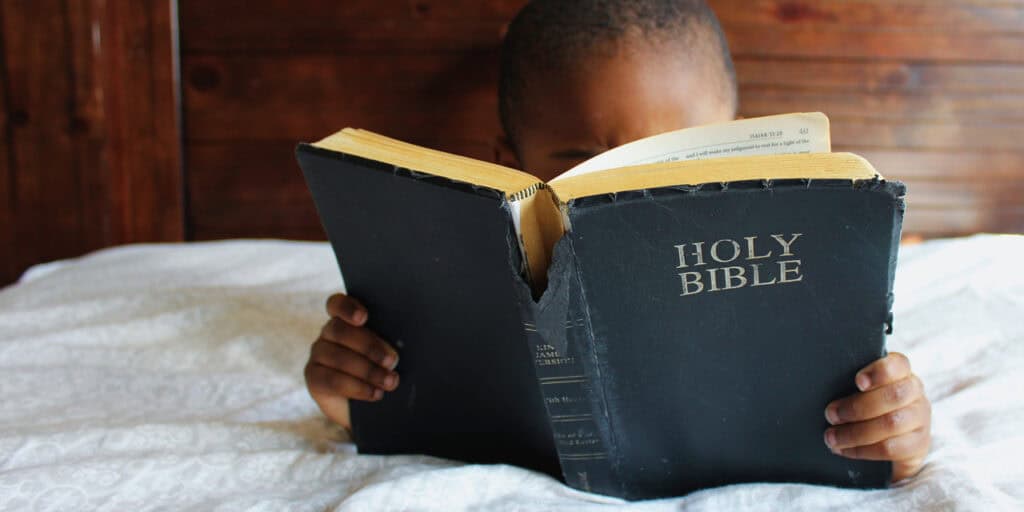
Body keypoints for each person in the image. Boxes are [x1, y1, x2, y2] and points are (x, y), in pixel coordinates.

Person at [304, 0, 931, 484]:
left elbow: (877, 433)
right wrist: (352, 396)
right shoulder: (460, 288)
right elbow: (420, 409)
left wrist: (892, 435)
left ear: (744, 145)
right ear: (512, 164)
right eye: (585, 167)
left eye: (675, 162)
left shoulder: (797, 277)